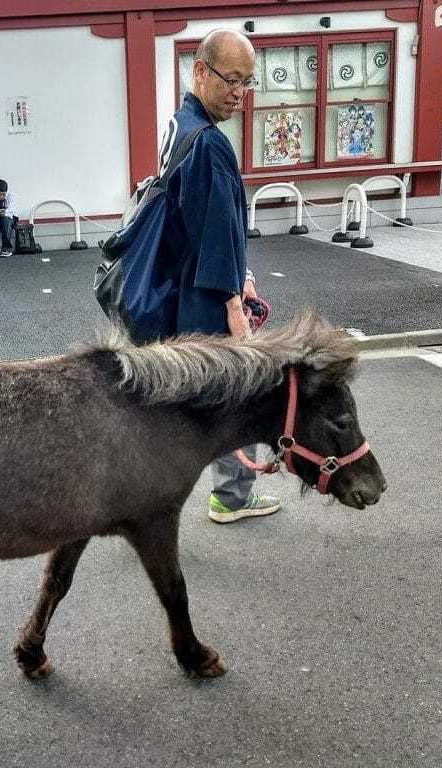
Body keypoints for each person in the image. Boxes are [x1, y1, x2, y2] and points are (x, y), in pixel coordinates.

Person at [142, 28, 281, 524]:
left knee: (189, 404)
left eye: (247, 82)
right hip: (204, 300)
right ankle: (229, 496)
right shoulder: (211, 145)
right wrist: (234, 307)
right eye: (231, 79)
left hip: (180, 293)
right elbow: (216, 235)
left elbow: (205, 223)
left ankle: (141, 497)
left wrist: (241, 275)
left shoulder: (179, 127)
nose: (239, 92)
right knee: (234, 399)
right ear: (200, 71)